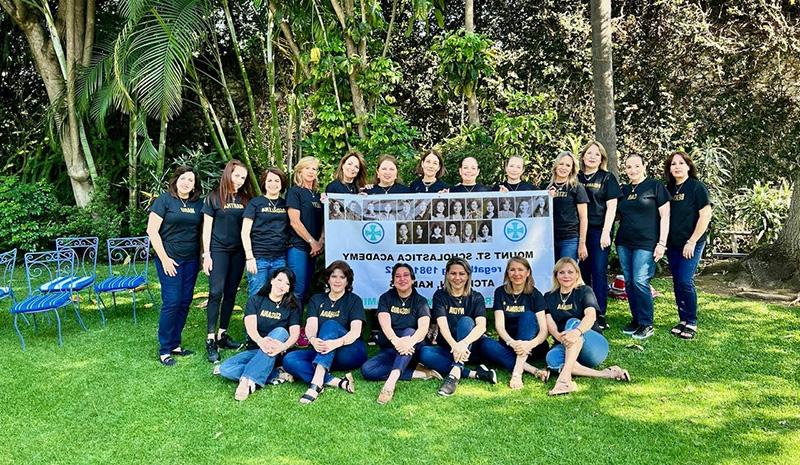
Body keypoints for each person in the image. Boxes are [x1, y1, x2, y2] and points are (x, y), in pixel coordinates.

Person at [282, 261, 368, 404]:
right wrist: (313, 340)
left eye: (342, 277)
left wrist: (336, 343)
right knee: (289, 359)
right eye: (334, 276)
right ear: (328, 279)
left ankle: (316, 383)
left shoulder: (354, 300)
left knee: (330, 325)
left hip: (350, 351)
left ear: (348, 281)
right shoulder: (317, 299)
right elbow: (311, 325)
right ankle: (337, 382)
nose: (338, 280)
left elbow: (355, 332)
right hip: (324, 351)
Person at [544, 258, 630, 396]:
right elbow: (550, 323)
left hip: (593, 346)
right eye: (562, 272)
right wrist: (558, 336)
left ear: (577, 274)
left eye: (570, 272)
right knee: (552, 359)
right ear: (556, 275)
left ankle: (564, 381)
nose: (566, 276)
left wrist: (576, 331)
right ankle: (606, 374)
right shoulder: (548, 296)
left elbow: (591, 316)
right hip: (565, 344)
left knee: (572, 322)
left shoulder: (585, 291)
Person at [147, 166, 203, 366]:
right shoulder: (164, 200)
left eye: (191, 180)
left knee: (185, 301)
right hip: (169, 259)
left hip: (191, 260)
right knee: (172, 301)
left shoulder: (198, 204)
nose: (186, 182)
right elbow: (152, 230)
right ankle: (164, 349)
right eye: (183, 178)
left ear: (195, 184)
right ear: (176, 180)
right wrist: (164, 259)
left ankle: (176, 344)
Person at [361, 263, 440, 404]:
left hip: (413, 348)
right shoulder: (386, 298)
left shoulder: (420, 301)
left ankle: (391, 382)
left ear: (413, 280)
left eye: (406, 275)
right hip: (392, 347)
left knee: (409, 331)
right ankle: (420, 373)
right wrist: (397, 342)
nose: (401, 279)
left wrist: (408, 342)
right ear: (393, 281)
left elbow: (422, 330)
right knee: (368, 370)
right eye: (397, 276)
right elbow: (384, 324)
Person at [218, 268, 301, 401]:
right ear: (272, 281)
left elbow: (294, 334)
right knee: (225, 369)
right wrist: (260, 341)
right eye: (279, 280)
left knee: (280, 331)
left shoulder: (293, 305)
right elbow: (250, 326)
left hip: (277, 352)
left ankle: (247, 382)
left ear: (289, 289)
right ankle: (275, 373)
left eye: (286, 283)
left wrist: (283, 347)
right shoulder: (256, 300)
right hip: (256, 348)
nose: (281, 285)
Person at [419, 257, 498, 397]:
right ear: (447, 275)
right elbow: (442, 325)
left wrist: (463, 344)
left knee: (466, 321)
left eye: (462, 274)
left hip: (470, 350)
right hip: (450, 349)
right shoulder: (440, 295)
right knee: (424, 353)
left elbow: (481, 326)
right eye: (453, 273)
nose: (457, 278)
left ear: (468, 275)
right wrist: (455, 346)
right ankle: (475, 373)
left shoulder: (476, 297)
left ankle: (454, 375)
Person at [616, 153, 671, 340]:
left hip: (646, 242)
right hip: (624, 242)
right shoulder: (623, 190)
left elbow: (665, 216)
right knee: (630, 282)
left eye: (637, 166)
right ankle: (637, 319)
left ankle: (647, 323)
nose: (633, 170)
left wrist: (662, 243)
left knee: (640, 281)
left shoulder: (655, 186)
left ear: (644, 166)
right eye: (629, 167)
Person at [203, 159, 253, 362]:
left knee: (231, 292)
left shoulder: (246, 199)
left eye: (243, 177)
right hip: (218, 249)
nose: (240, 180)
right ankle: (210, 338)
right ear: (228, 174)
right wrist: (206, 254)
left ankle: (222, 333)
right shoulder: (214, 197)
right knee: (216, 292)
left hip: (238, 251)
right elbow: (206, 228)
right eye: (237, 175)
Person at [480, 257, 550, 389]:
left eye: (520, 270)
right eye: (512, 270)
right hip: (509, 345)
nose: (516, 274)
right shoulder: (500, 292)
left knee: (528, 316)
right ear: (507, 273)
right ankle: (534, 370)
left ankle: (517, 374)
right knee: (484, 343)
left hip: (532, 347)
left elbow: (544, 331)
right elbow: (499, 326)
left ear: (528, 272)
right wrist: (512, 343)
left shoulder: (536, 295)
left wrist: (529, 344)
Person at [664, 151, 712, 340]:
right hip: (673, 244)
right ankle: (682, 319)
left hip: (692, 242)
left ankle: (691, 321)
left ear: (689, 166)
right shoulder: (668, 189)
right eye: (673, 164)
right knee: (677, 282)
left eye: (681, 163)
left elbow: (705, 215)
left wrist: (691, 241)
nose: (677, 166)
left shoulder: (696, 187)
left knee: (685, 280)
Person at [577, 141, 621, 330]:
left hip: (598, 231)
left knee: (598, 272)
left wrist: (605, 232)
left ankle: (600, 313)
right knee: (582, 272)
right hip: (577, 231)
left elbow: (612, 207)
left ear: (602, 158)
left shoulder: (607, 178)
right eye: (589, 153)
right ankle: (585, 311)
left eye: (596, 154)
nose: (592, 157)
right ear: (583, 156)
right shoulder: (575, 177)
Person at [242, 168, 289, 297]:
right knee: (257, 294)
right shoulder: (255, 203)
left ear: (282, 183)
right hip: (258, 258)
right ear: (264, 183)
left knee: (277, 295)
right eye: (269, 180)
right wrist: (249, 257)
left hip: (280, 258)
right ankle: (252, 318)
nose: (273, 184)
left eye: (277, 180)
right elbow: (245, 232)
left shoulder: (285, 204)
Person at [286, 156, 324, 306]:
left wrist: (320, 241)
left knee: (306, 289)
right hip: (298, 247)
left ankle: (299, 326)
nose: (311, 172)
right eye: (307, 168)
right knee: (297, 289)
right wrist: (312, 242)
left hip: (314, 249)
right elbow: (295, 222)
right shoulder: (295, 192)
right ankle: (291, 326)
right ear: (300, 171)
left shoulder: (318, 195)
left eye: (314, 169)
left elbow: (324, 219)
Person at [544, 151, 589, 261]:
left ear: (572, 169)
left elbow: (583, 218)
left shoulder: (577, 187)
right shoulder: (545, 187)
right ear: (556, 166)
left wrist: (582, 244)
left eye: (568, 165)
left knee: (567, 273)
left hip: (569, 238)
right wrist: (548, 198)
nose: (563, 167)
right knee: (550, 274)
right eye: (561, 164)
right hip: (548, 239)